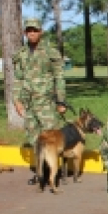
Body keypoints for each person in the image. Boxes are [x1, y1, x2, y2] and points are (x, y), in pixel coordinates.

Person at [12, 18, 67, 185]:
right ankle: (40, 172)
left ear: (40, 32)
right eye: (29, 31)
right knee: (35, 139)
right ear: (25, 33)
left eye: (35, 30)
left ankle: (56, 171)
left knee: (51, 138)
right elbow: (18, 79)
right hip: (29, 104)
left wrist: (61, 101)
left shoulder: (51, 52)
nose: (32, 33)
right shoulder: (21, 54)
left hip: (47, 103)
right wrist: (17, 100)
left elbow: (59, 77)